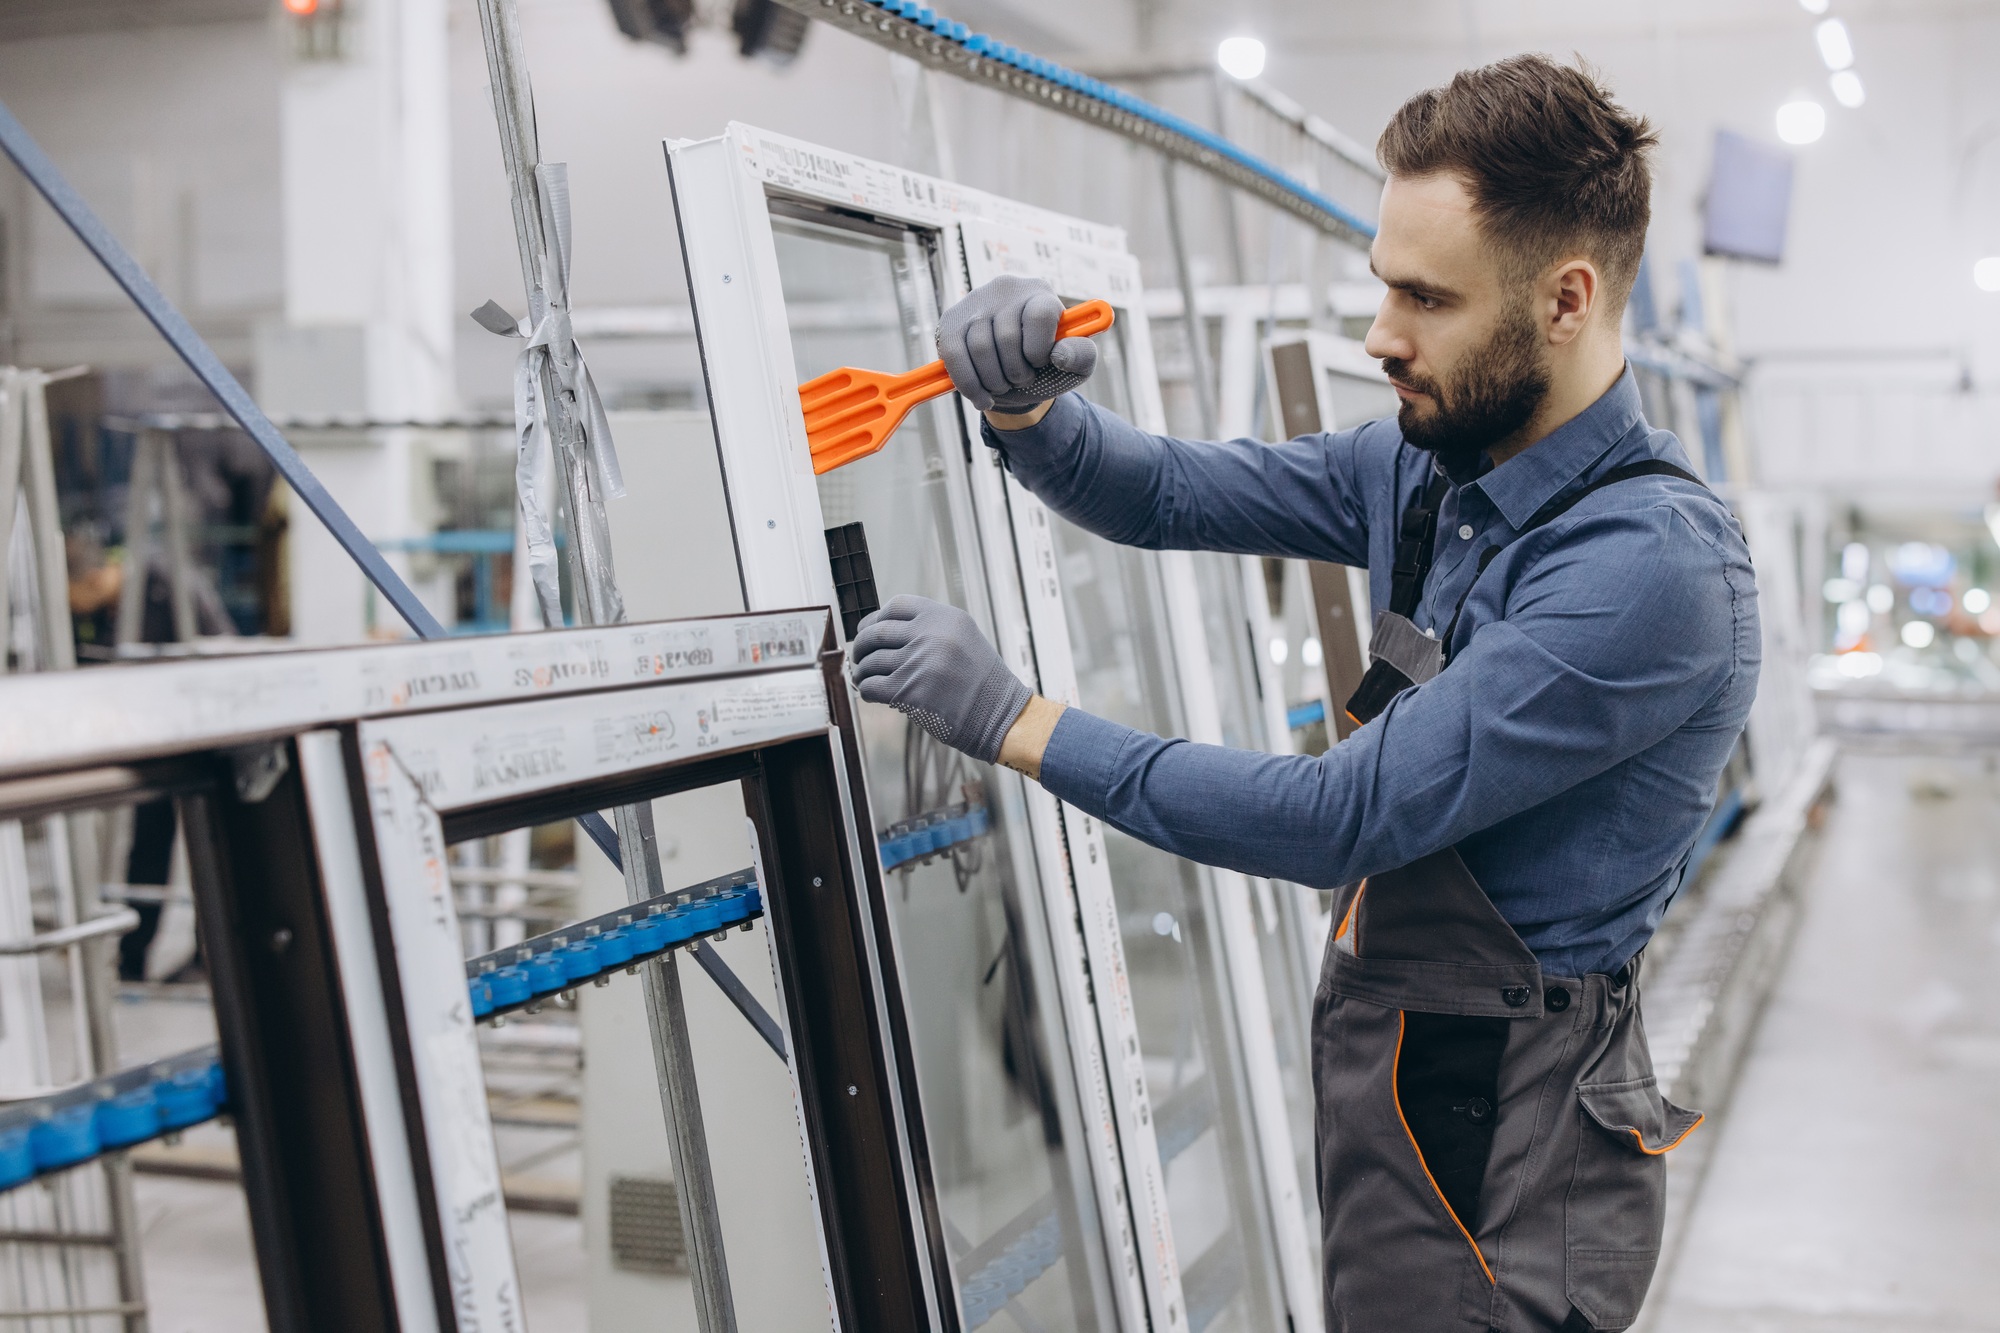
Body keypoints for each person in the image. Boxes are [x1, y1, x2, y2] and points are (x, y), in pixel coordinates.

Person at [848, 53, 1760, 1333]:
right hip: (1405, 1069)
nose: (1379, 334)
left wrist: (1015, 721)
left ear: (1565, 299)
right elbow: (1165, 492)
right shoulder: (1429, 463)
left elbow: (1339, 816)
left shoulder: (1641, 570)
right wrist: (1027, 416)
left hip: (1503, 1139)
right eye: (1380, 283)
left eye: (1423, 298)